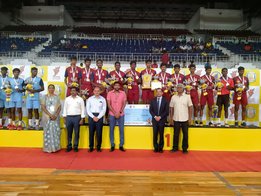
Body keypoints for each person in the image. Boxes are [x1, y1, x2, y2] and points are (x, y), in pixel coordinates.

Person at [169, 83, 193, 154]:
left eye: (180, 87)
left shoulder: (187, 97)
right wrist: (171, 118)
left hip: (185, 118)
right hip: (176, 118)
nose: (179, 89)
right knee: (175, 134)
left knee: (185, 134)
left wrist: (190, 118)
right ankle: (175, 147)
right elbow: (171, 108)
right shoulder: (173, 97)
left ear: (183, 89)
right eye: (178, 87)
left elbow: (190, 107)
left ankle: (185, 148)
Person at [62, 86, 85, 152]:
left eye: (74, 90)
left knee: (77, 132)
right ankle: (69, 146)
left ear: (76, 92)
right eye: (71, 91)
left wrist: (82, 119)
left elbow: (83, 109)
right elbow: (65, 108)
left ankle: (75, 146)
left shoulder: (80, 99)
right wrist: (64, 117)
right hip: (68, 117)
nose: (73, 92)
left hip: (77, 117)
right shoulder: (67, 99)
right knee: (69, 133)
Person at [107, 82, 127, 152]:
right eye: (115, 85)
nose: (117, 86)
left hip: (121, 114)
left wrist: (120, 112)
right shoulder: (109, 93)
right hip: (112, 114)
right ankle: (112, 144)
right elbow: (109, 105)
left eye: (118, 85)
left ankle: (121, 145)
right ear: (113, 86)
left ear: (120, 86)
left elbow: (124, 103)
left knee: (121, 130)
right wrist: (115, 113)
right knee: (111, 130)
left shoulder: (123, 93)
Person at [41, 84, 61, 153]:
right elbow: (43, 107)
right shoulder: (45, 97)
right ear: (48, 89)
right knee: (47, 132)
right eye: (50, 88)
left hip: (55, 117)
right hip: (47, 117)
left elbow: (59, 107)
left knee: (56, 132)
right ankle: (48, 148)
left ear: (54, 89)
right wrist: (50, 115)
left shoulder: (57, 97)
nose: (51, 89)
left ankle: (55, 147)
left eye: (52, 88)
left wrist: (55, 115)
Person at [86, 86, 107, 152]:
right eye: (95, 91)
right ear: (93, 91)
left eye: (98, 91)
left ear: (100, 91)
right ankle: (91, 147)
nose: (97, 92)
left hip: (99, 117)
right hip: (91, 116)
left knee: (99, 133)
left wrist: (98, 117)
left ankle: (98, 147)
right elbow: (87, 109)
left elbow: (104, 109)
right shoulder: (90, 99)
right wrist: (93, 117)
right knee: (91, 133)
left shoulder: (103, 99)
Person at [149, 88, 169, 153]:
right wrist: (155, 117)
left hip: (162, 120)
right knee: (155, 134)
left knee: (161, 134)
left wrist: (160, 117)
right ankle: (155, 147)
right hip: (154, 120)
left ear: (162, 93)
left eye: (160, 92)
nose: (158, 93)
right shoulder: (152, 100)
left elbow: (166, 111)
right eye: (157, 92)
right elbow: (150, 110)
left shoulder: (165, 101)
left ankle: (160, 148)